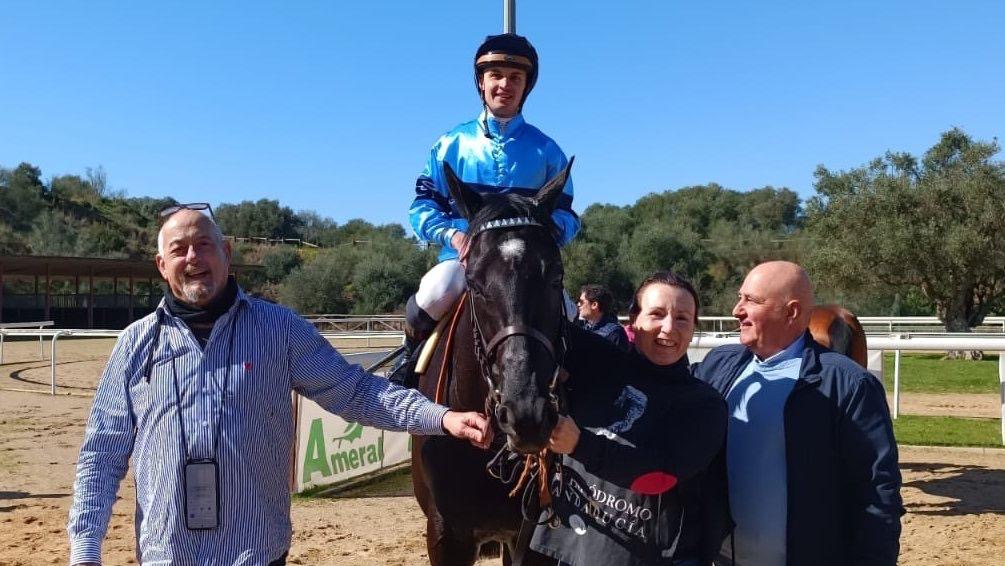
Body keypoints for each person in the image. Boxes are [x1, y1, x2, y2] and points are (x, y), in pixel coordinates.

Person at [66, 205, 490, 565]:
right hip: (165, 554)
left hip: (255, 554)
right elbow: (101, 454)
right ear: (162, 266)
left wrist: (440, 416)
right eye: (178, 250)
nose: (193, 257)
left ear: (227, 253)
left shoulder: (280, 329)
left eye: (204, 245)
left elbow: (355, 392)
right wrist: (85, 549)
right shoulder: (135, 343)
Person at [392, 32, 579, 382]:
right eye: (496, 76)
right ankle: (407, 365)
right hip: (463, 260)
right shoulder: (449, 144)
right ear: (481, 82)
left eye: (515, 78)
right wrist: (455, 237)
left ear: (526, 87)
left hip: (525, 264)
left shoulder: (547, 151)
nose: (504, 85)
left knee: (568, 312)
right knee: (436, 291)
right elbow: (422, 206)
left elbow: (567, 214)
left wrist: (546, 234)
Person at [691, 261, 902, 565]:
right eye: (740, 297)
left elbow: (877, 493)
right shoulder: (718, 365)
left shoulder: (851, 385)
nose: (737, 310)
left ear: (791, 312)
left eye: (751, 300)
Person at [531, 271, 730, 565]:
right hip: (573, 548)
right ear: (633, 319)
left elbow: (658, 477)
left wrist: (579, 444)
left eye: (682, 318)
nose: (668, 328)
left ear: (694, 327)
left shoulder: (704, 405)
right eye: (657, 314)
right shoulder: (598, 360)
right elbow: (534, 317)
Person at [576, 284, 630, 350]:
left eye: (581, 302)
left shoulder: (615, 334)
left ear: (594, 305)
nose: (578, 304)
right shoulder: (583, 328)